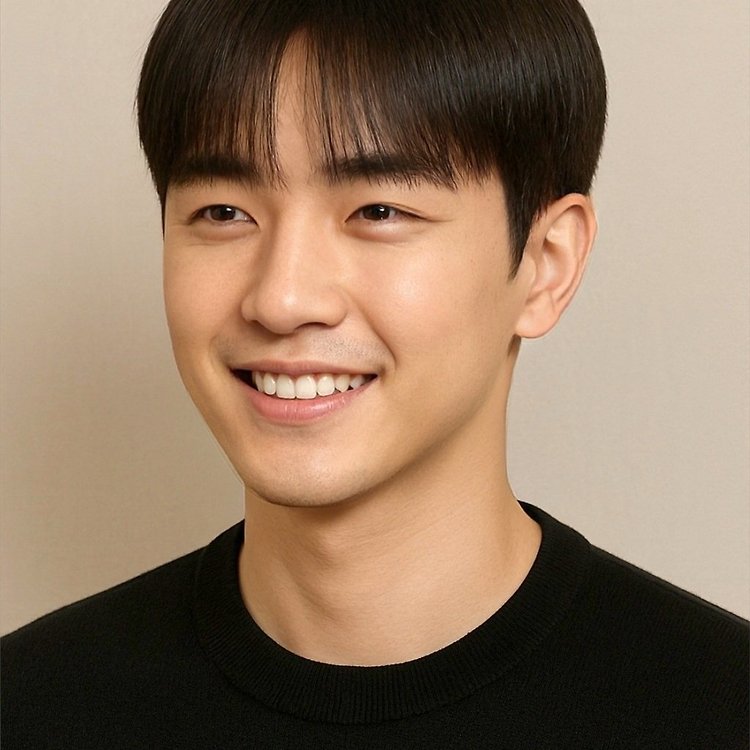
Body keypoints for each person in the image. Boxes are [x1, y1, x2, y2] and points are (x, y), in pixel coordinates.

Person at [2, 0, 747, 747]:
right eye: (224, 212)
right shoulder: (30, 706)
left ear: (545, 265)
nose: (282, 299)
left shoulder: (717, 706)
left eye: (379, 211)